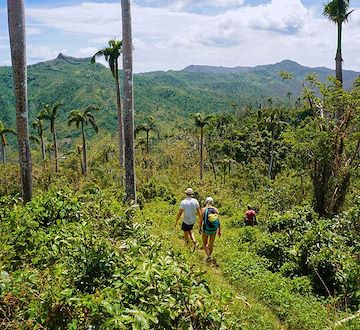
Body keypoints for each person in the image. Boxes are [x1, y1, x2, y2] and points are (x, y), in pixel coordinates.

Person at [199, 197, 221, 261]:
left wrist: (199, 228)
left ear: (206, 202)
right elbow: (218, 221)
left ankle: (208, 255)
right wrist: (219, 230)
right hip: (214, 229)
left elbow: (200, 221)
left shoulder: (203, 209)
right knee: (211, 243)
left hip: (206, 229)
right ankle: (210, 255)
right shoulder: (216, 210)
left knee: (204, 243)